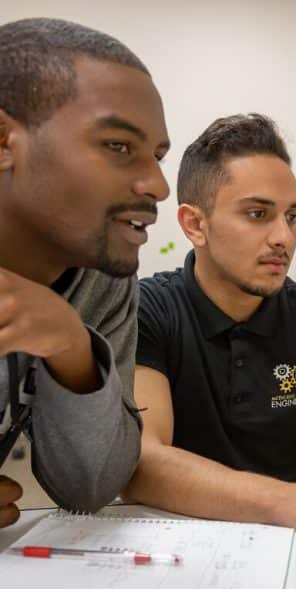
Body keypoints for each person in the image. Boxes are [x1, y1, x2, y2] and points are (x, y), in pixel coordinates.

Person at [124, 114, 296, 566]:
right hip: (168, 541)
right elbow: (145, 465)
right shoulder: (148, 311)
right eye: (258, 214)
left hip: (289, 545)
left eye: (292, 216)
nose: (283, 238)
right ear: (195, 224)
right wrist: (282, 501)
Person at [0, 18, 170, 528]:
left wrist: (73, 345)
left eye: (158, 156)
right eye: (119, 146)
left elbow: (91, 487)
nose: (159, 185)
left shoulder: (106, 279)